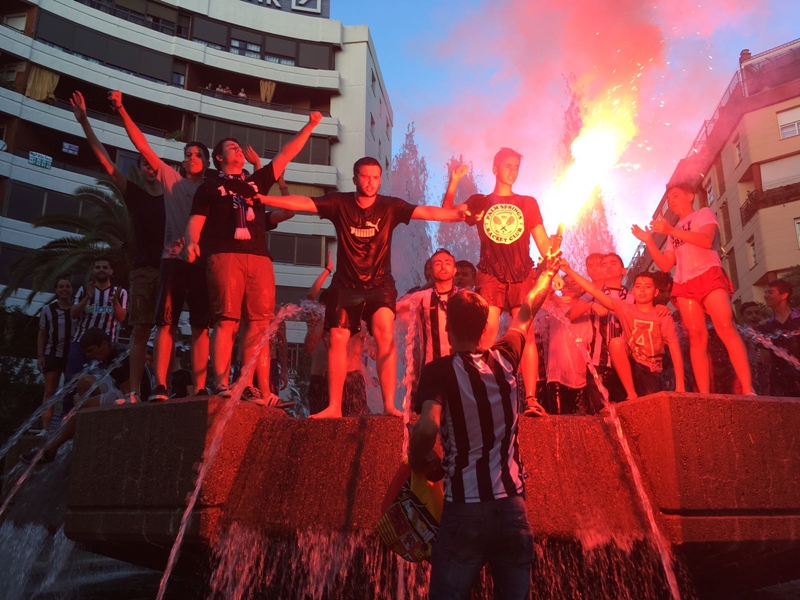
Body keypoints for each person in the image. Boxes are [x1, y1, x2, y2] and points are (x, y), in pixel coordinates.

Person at [257, 157, 467, 418]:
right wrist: (265, 200)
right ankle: (334, 406)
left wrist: (455, 213)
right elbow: (304, 203)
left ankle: (390, 404)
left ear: (380, 179)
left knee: (384, 334)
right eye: (365, 176)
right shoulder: (339, 202)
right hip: (346, 287)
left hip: (380, 285)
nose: (370, 182)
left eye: (375, 177)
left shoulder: (390, 206)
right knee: (337, 339)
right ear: (355, 178)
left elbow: (427, 211)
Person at [408, 250, 562, 600]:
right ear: (483, 328)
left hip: (465, 508)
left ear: (448, 327)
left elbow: (428, 427)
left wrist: (419, 460)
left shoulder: (439, 371)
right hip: (512, 509)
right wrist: (547, 274)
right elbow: (526, 312)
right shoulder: (506, 355)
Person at [185, 116, 321, 398]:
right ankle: (221, 382)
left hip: (259, 257)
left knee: (259, 323)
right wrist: (191, 242)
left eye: (239, 147)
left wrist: (310, 126)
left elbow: (285, 155)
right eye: (232, 148)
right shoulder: (209, 187)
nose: (238, 150)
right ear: (220, 158)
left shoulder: (256, 182)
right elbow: (196, 219)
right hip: (225, 255)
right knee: (227, 320)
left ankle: (251, 385)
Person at [110, 89, 213, 402]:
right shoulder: (170, 178)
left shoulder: (212, 189)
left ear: (207, 162)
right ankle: (160, 386)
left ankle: (200, 387)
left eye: (197, 154)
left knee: (200, 328)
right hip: (171, 261)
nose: (190, 157)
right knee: (164, 324)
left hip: (201, 265)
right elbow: (141, 144)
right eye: (187, 154)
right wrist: (121, 109)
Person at [443, 148, 561, 417]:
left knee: (526, 335)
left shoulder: (528, 203)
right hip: (491, 274)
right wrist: (453, 183)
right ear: (495, 169)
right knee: (487, 330)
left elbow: (543, 243)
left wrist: (553, 261)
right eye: (507, 165)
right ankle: (484, 390)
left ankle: (530, 398)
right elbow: (448, 212)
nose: (512, 171)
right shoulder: (481, 202)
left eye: (516, 166)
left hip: (522, 273)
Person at [71, 90, 164, 399]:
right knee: (140, 329)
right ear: (141, 170)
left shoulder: (174, 197)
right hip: (142, 269)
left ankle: (162, 388)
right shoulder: (135, 194)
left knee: (168, 329)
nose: (150, 169)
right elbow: (106, 162)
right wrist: (85, 122)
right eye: (144, 165)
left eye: (153, 164)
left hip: (169, 269)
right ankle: (135, 390)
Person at [632, 181, 753, 395]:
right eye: (669, 198)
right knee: (696, 336)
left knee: (725, 326)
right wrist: (650, 241)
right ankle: (704, 394)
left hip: (708, 273)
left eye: (675, 195)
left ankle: (747, 387)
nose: (671, 200)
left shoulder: (703, 214)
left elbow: (706, 240)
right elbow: (666, 264)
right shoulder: (673, 232)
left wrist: (670, 230)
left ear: (690, 196)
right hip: (684, 281)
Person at [561, 263, 685, 399]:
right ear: (632, 291)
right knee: (616, 342)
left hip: (652, 371)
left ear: (655, 292)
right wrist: (568, 270)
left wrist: (680, 385)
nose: (642, 290)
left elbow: (675, 350)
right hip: (631, 367)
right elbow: (595, 291)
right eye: (638, 286)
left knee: (651, 403)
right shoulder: (626, 309)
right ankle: (630, 393)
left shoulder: (663, 317)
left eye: (647, 287)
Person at [22, 328, 132, 465]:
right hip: (115, 384)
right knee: (83, 380)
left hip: (126, 393)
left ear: (104, 344)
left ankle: (50, 450)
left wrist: (86, 402)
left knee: (82, 405)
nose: (88, 355)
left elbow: (129, 394)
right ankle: (81, 428)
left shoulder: (120, 357)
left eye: (91, 350)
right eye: (86, 352)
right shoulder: (110, 352)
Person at [63, 257, 127, 414]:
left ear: (110, 271)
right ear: (93, 270)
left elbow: (122, 318)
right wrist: (87, 298)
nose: (101, 270)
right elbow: (73, 313)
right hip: (80, 345)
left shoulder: (120, 292)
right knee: (71, 385)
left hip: (105, 349)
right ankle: (67, 420)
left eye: (105, 267)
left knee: (103, 385)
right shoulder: (84, 290)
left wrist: (115, 303)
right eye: (97, 267)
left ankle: (93, 418)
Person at [544, 274, 591, 414]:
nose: (569, 285)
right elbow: (569, 314)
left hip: (583, 376)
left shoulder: (586, 302)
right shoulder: (553, 304)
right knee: (560, 422)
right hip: (557, 377)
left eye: (574, 282)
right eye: (565, 283)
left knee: (583, 423)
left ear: (583, 288)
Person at [37, 277, 73, 431]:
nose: (64, 289)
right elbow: (42, 333)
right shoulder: (48, 309)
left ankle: (68, 428)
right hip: (53, 354)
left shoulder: (79, 309)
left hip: (73, 354)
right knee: (50, 392)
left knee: (72, 391)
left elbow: (97, 312)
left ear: (71, 290)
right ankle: (45, 430)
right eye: (61, 287)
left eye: (67, 286)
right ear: (56, 290)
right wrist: (40, 356)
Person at [759, 280, 800, 397]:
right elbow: (765, 360)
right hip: (779, 382)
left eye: (770, 292)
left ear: (784, 295)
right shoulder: (765, 327)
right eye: (765, 292)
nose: (766, 296)